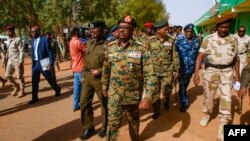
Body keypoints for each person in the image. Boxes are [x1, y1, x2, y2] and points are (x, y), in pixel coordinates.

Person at [102, 15, 157, 141]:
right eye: (120, 27)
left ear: (133, 30)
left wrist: (147, 97)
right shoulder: (111, 47)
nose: (121, 30)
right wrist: (105, 86)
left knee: (133, 124)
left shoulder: (141, 48)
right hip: (114, 95)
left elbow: (150, 74)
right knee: (112, 125)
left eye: (126, 28)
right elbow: (106, 69)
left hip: (133, 97)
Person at [193, 19, 239, 141]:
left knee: (227, 99)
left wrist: (237, 77)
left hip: (227, 74)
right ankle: (207, 114)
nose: (224, 29)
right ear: (217, 26)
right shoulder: (208, 39)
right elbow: (200, 57)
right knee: (208, 97)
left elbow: (236, 59)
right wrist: (196, 73)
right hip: (210, 73)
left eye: (227, 27)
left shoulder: (233, 39)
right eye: (222, 27)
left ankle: (223, 126)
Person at [79, 21, 108, 140]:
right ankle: (88, 127)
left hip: (101, 78)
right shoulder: (90, 43)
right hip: (88, 77)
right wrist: (83, 74)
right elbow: (86, 60)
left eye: (95, 31)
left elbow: (110, 63)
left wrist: (100, 71)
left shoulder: (108, 45)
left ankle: (105, 127)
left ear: (102, 31)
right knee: (84, 102)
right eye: (92, 31)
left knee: (104, 104)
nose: (93, 33)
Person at [147, 20, 179, 119]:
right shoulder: (150, 41)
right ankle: (156, 110)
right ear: (158, 30)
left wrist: (176, 69)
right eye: (165, 29)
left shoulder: (171, 41)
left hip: (167, 72)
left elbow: (175, 56)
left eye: (168, 29)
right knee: (155, 93)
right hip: (154, 72)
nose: (167, 31)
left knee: (167, 91)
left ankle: (166, 101)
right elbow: (147, 57)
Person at [29, 25, 61, 104]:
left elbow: (50, 52)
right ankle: (34, 97)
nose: (31, 33)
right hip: (35, 64)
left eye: (33, 32)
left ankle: (57, 89)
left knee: (49, 78)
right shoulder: (32, 40)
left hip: (43, 63)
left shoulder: (45, 40)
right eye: (31, 32)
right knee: (34, 81)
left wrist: (50, 63)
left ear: (37, 32)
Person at [175, 23, 200, 112]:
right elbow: (174, 54)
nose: (189, 33)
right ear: (184, 32)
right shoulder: (179, 41)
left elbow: (198, 55)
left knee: (185, 84)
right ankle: (184, 103)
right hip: (181, 68)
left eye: (191, 31)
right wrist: (175, 67)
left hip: (190, 69)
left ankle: (182, 93)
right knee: (182, 86)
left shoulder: (196, 42)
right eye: (187, 31)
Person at [5, 25, 25, 98]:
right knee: (7, 75)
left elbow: (22, 51)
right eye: (7, 31)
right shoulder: (8, 39)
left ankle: (22, 90)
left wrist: (20, 62)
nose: (7, 33)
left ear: (13, 31)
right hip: (10, 61)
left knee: (19, 76)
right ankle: (16, 87)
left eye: (9, 31)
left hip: (17, 61)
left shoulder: (18, 40)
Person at [69, 27, 86, 112]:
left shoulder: (71, 41)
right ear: (76, 32)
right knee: (85, 88)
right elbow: (86, 51)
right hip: (81, 67)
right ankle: (84, 104)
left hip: (75, 67)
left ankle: (75, 105)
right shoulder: (78, 42)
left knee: (76, 87)